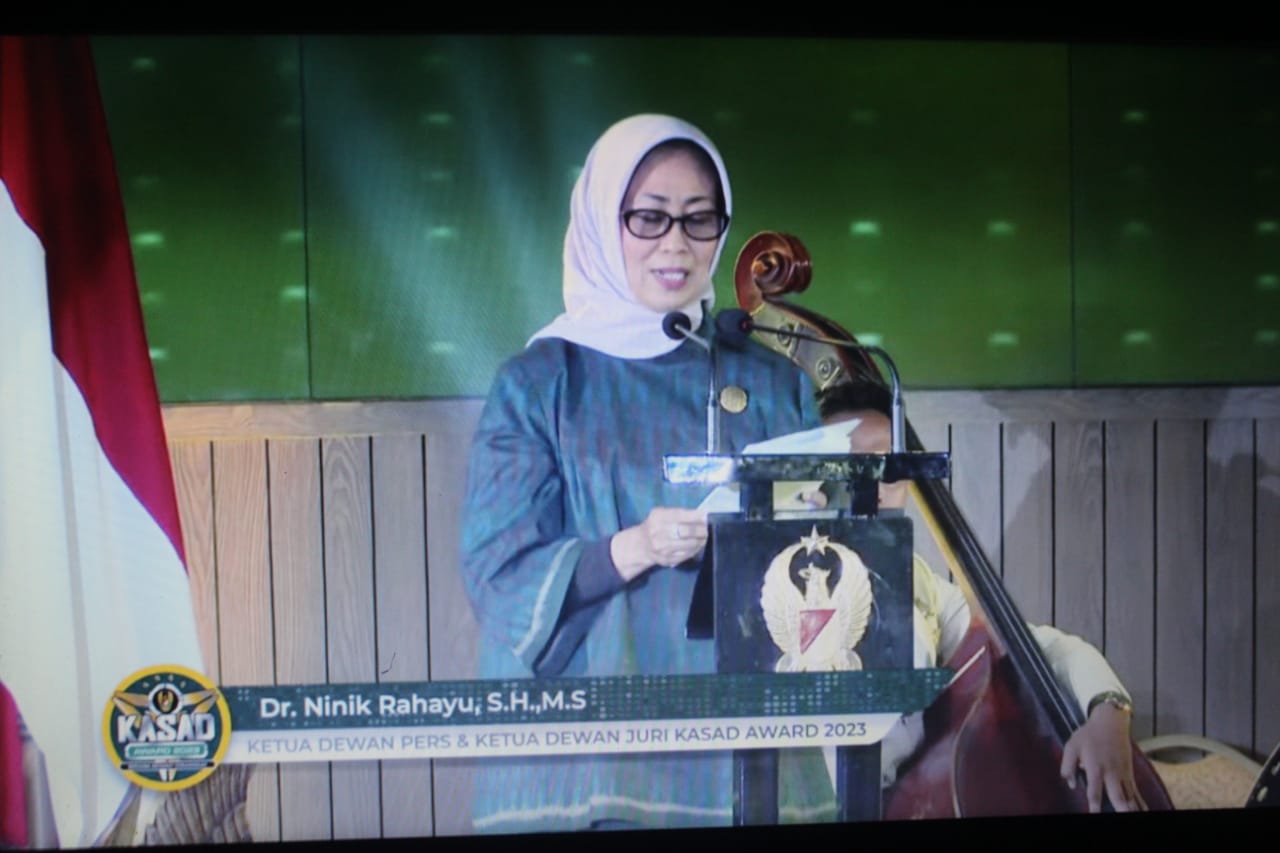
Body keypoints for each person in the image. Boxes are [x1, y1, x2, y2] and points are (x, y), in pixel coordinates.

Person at [458, 114, 825, 833]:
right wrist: (636, 547)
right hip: (592, 762)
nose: (675, 244)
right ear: (603, 221)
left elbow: (821, 568)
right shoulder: (541, 382)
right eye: (649, 218)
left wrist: (815, 521)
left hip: (749, 751)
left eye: (699, 219)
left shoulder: (772, 380)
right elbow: (499, 571)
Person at [814, 381, 1145, 813]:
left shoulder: (917, 582)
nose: (872, 487)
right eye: (846, 466)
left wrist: (1108, 710)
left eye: (889, 468)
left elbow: (1040, 647)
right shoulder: (776, 579)